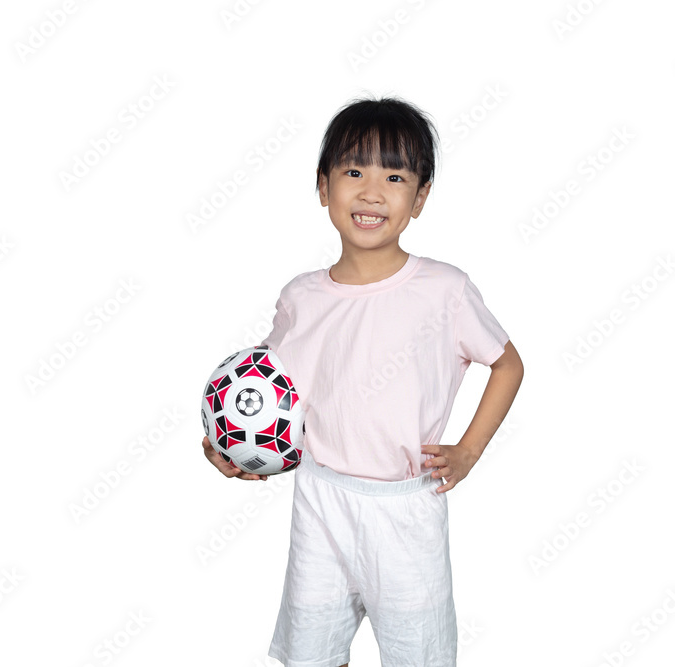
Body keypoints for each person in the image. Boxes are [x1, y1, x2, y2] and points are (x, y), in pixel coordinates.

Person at [200, 95, 524, 666]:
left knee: (416, 654)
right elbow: (273, 400)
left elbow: (507, 363)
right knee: (313, 653)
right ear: (323, 187)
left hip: (405, 509)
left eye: (395, 176)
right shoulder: (300, 297)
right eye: (353, 171)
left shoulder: (443, 290)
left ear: (420, 197)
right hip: (320, 502)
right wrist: (232, 450)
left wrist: (469, 451)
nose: (371, 191)